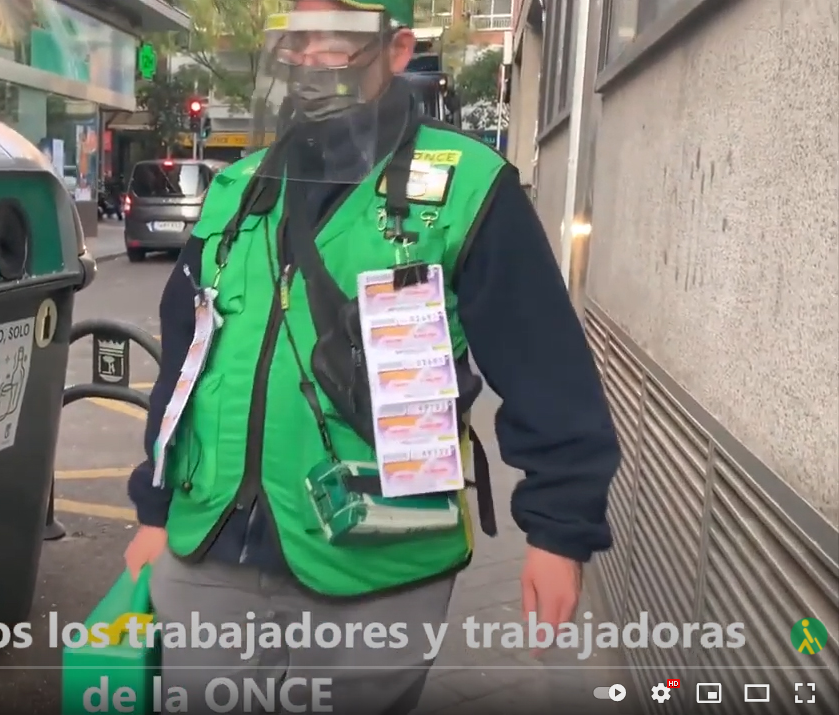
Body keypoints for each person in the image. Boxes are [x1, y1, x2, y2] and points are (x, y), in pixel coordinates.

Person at [124, 0, 621, 711]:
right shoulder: (236, 192)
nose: (311, 57)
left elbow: (549, 372)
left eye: (338, 40)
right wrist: (154, 504)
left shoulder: (467, 187)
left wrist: (559, 531)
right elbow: (185, 364)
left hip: (379, 563)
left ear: (395, 52)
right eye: (298, 39)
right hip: (209, 553)